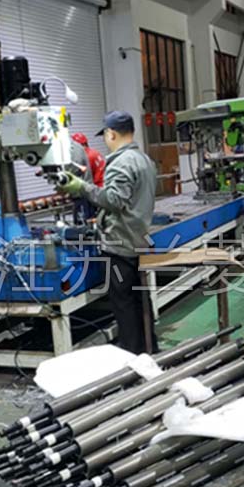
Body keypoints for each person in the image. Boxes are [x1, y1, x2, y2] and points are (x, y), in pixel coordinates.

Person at [59, 111, 158, 354]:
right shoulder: (144, 159)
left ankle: (132, 354)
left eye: (105, 135)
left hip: (119, 244)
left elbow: (114, 200)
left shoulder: (121, 162)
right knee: (139, 301)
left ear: (111, 133)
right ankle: (149, 348)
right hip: (138, 239)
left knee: (124, 305)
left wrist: (81, 187)